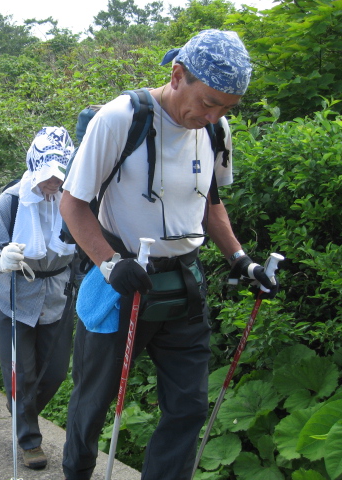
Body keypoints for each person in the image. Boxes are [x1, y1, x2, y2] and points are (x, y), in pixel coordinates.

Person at [59, 30, 279, 480]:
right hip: (121, 281)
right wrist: (107, 262)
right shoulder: (121, 118)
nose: (212, 114)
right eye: (208, 101)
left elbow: (210, 205)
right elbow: (72, 203)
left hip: (183, 282)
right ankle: (77, 471)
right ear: (177, 75)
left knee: (189, 407)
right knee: (94, 399)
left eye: (225, 107)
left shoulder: (216, 129)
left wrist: (242, 260)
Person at [0, 127, 76, 469]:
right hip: (14, 296)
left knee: (56, 371)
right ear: (35, 167)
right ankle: (30, 440)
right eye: (48, 176)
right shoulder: (12, 200)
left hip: (58, 296)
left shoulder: (71, 199)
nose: (54, 183)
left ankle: (20, 408)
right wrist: (0, 260)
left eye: (60, 176)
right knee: (21, 373)